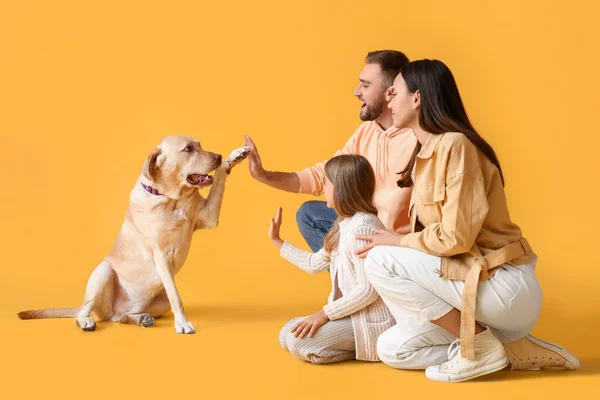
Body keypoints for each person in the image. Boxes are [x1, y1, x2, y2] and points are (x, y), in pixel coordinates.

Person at [356, 59, 580, 382]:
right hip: (471, 290)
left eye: (394, 91)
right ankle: (503, 348)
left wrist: (398, 240)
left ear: (417, 98)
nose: (388, 98)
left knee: (379, 259)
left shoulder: (456, 145)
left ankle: (482, 345)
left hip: (502, 284)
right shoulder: (423, 156)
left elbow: (455, 238)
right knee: (391, 348)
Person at [245, 50, 416, 253]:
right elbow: (323, 176)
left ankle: (368, 278)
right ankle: (346, 281)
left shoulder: (417, 137)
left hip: (397, 244)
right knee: (309, 214)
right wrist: (263, 175)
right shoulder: (366, 132)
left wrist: (401, 241)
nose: (357, 91)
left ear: (391, 91)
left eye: (366, 85)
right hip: (365, 229)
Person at [270, 155, 394, 364]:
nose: (323, 188)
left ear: (342, 188)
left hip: (368, 322)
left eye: (326, 183)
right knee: (287, 335)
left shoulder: (363, 228)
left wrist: (323, 314)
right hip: (349, 315)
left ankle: (364, 348)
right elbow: (313, 264)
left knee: (297, 342)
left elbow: (368, 290)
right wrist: (277, 241)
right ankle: (332, 339)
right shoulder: (344, 224)